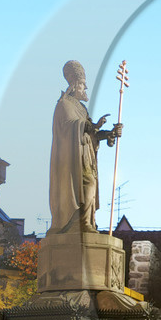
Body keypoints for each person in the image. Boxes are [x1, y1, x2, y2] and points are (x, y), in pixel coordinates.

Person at [48, 61, 120, 234]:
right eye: (82, 84)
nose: (85, 87)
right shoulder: (64, 104)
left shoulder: (81, 108)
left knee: (91, 185)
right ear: (74, 85)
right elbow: (69, 127)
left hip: (87, 157)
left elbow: (90, 133)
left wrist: (109, 133)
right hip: (73, 160)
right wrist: (92, 126)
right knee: (86, 185)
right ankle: (79, 223)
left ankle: (86, 222)